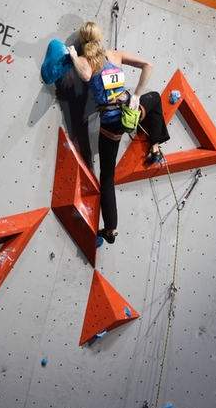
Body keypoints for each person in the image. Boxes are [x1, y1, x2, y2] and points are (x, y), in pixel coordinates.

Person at [68, 21, 169, 244]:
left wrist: (74, 56)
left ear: (83, 41)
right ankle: (155, 146)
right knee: (155, 98)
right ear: (100, 38)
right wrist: (137, 95)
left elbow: (84, 76)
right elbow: (148, 66)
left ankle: (111, 229)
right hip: (131, 113)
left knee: (107, 177)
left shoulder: (86, 61)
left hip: (111, 125)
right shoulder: (114, 55)